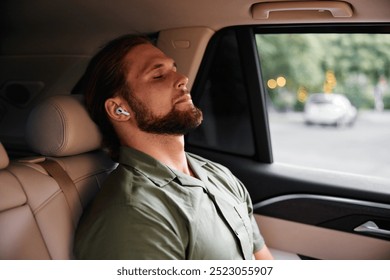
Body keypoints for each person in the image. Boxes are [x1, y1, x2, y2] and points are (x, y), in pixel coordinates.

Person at [73, 34, 273, 260]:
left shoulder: (219, 175)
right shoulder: (132, 215)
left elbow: (261, 258)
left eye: (174, 69)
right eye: (158, 75)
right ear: (119, 109)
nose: (183, 78)